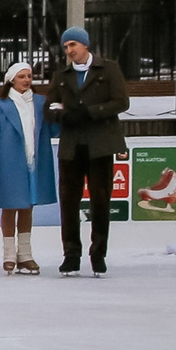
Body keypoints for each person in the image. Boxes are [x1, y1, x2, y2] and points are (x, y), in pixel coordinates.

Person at [47, 26, 128, 276]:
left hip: (100, 144)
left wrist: (91, 112)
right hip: (72, 146)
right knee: (69, 201)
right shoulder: (62, 75)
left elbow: (121, 101)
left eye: (73, 44)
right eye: (65, 47)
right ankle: (71, 254)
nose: (69, 50)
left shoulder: (108, 69)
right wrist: (64, 115)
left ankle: (98, 253)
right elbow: (49, 107)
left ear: (85, 45)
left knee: (100, 200)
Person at [0, 60, 56, 274]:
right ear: (11, 80)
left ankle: (25, 254)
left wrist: (59, 114)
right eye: (21, 77)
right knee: (9, 207)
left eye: (29, 76)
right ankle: (8, 253)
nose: (26, 80)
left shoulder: (40, 103)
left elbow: (53, 130)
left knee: (27, 207)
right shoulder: (1, 106)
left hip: (33, 162)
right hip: (10, 164)